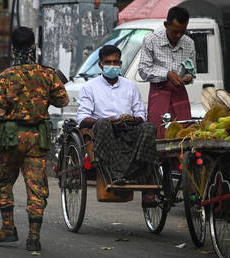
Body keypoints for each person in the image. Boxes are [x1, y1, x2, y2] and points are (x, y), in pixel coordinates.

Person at [0, 27, 68, 251]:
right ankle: (33, 236)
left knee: (2, 181)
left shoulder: (5, 76)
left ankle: (8, 228)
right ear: (33, 47)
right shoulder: (48, 74)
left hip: (11, 139)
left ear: (13, 48)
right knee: (36, 187)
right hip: (38, 138)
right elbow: (62, 101)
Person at [77, 45, 158, 204]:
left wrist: (134, 119)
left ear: (120, 64)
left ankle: (139, 171)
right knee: (103, 124)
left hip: (128, 130)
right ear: (101, 65)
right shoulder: (89, 87)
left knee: (149, 127)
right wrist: (108, 120)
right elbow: (83, 118)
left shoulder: (130, 86)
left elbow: (141, 113)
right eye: (108, 62)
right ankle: (115, 174)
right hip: (104, 132)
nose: (112, 66)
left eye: (116, 62)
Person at [138, 7, 196, 137]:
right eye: (175, 31)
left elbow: (191, 72)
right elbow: (143, 70)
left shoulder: (189, 43)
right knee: (158, 133)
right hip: (159, 92)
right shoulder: (151, 40)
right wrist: (167, 74)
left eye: (182, 31)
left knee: (184, 133)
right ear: (166, 25)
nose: (179, 35)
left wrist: (187, 78)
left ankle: (183, 158)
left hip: (179, 92)